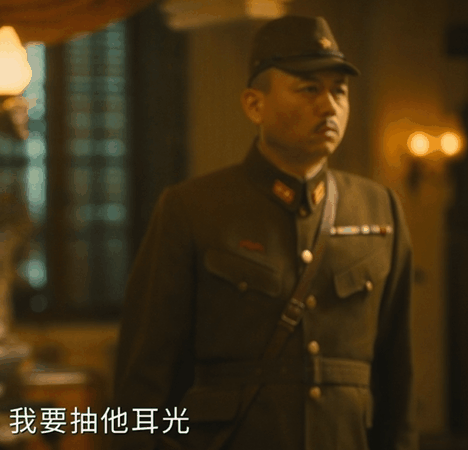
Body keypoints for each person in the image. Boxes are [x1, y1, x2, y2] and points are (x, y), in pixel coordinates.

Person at [113, 15, 416, 450]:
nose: (329, 106)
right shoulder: (193, 209)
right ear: (255, 105)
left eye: (339, 91)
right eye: (309, 89)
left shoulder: (379, 209)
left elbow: (397, 375)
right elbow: (145, 378)